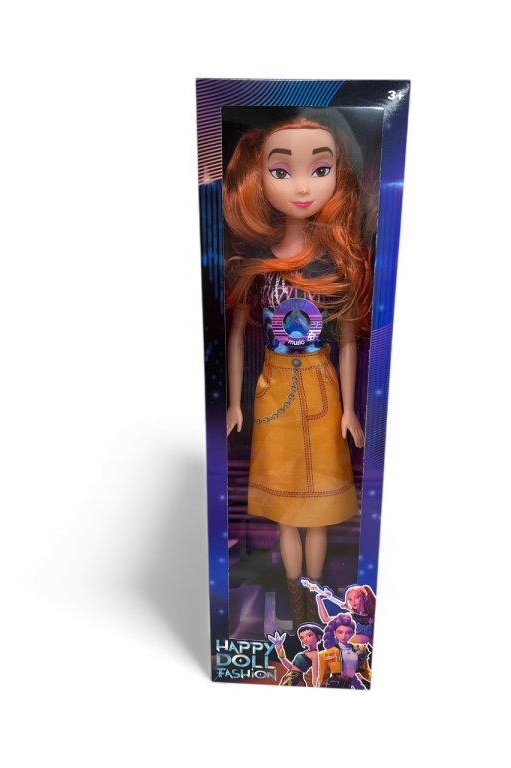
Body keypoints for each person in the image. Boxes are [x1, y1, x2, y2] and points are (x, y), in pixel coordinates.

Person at [224, 110, 373, 627]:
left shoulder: (337, 261)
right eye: (282, 171)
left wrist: (350, 410)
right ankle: (298, 605)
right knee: (288, 514)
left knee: (320, 516)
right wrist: (235, 403)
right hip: (273, 389)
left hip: (322, 386)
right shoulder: (258, 263)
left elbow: (348, 339)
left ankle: (319, 602)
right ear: (257, 177)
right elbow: (236, 333)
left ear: (340, 176)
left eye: (321, 169)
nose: (303, 187)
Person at [316, 613, 371, 689]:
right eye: (340, 632)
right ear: (335, 632)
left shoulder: (359, 649)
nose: (344, 636)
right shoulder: (325, 654)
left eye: (348, 632)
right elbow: (322, 679)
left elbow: (366, 673)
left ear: (353, 633)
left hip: (353, 687)